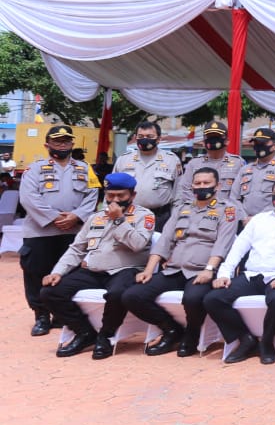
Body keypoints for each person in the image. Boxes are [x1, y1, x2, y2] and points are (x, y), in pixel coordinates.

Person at [122, 167, 238, 357]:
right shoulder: (182, 209)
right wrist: (149, 270)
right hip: (174, 270)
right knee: (132, 296)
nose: (201, 186)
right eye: (197, 183)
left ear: (217, 186)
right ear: (192, 185)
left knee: (193, 298)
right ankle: (171, 329)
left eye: (206, 183)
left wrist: (209, 269)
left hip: (202, 271)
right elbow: (165, 241)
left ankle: (192, 335)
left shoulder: (227, 210)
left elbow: (223, 244)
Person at [39, 173, 153, 359]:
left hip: (125, 270)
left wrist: (119, 220)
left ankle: (106, 336)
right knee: (50, 292)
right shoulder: (96, 217)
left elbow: (138, 244)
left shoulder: (144, 215)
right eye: (110, 195)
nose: (115, 200)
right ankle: (84, 332)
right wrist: (57, 272)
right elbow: (76, 249)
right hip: (94, 270)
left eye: (121, 195)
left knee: (117, 294)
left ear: (132, 195)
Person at [205, 176, 275, 364]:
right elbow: (239, 247)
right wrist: (224, 273)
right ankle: (245, 339)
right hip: (252, 276)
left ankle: (267, 342)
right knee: (213, 299)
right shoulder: (259, 220)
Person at [18, 124, 100, 336]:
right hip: (40, 232)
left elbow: (93, 196)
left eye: (66, 141)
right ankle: (41, 316)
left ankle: (62, 314)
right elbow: (28, 198)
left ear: (72, 144)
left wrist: (76, 216)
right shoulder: (34, 169)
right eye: (57, 141)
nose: (62, 145)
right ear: (47, 145)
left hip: (74, 232)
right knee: (36, 272)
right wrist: (54, 218)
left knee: (69, 273)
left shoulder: (85, 168)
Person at [114, 120, 182, 231]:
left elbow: (179, 193)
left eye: (150, 136)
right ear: (135, 138)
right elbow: (112, 188)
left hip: (160, 217)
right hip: (129, 214)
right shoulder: (123, 159)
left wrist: (176, 218)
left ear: (159, 139)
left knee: (158, 242)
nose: (144, 139)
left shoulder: (171, 160)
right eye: (140, 136)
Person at [230, 128, 275, 227]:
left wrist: (257, 219)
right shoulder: (245, 169)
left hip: (272, 223)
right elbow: (234, 197)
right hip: (244, 223)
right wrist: (243, 217)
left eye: (263, 143)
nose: (259, 146)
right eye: (256, 143)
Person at [176, 121, 245, 204]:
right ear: (203, 142)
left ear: (227, 141)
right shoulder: (194, 164)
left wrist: (224, 208)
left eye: (217, 137)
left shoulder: (238, 163)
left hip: (228, 210)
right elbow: (185, 190)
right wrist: (200, 207)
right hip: (199, 209)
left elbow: (242, 193)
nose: (213, 140)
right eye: (209, 137)